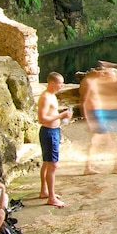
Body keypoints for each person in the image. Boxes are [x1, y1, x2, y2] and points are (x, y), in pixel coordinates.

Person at [38, 71, 73, 207]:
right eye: (60, 83)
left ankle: (44, 191)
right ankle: (51, 197)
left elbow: (50, 114)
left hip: (54, 131)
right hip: (48, 132)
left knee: (47, 163)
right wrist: (60, 116)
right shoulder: (45, 97)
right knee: (52, 164)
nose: (62, 86)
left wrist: (62, 116)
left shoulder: (52, 96)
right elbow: (41, 119)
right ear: (52, 83)